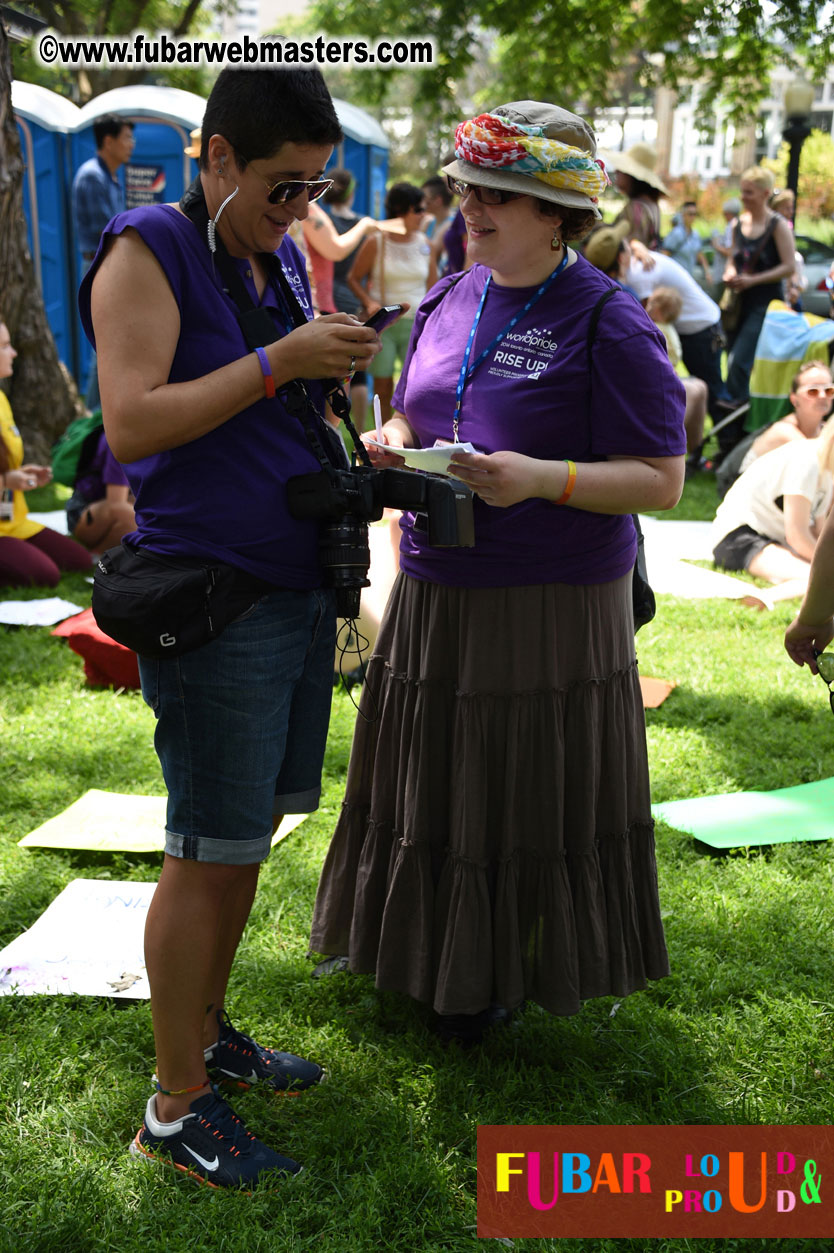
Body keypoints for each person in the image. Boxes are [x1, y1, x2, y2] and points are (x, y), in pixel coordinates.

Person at [309, 101, 687, 1045]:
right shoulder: (447, 295)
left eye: (499, 194)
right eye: (469, 185)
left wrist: (540, 480)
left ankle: (499, 971)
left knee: (517, 784)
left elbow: (664, 480)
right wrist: (390, 440)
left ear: (557, 213)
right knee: (439, 773)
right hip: (438, 582)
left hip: (551, 598)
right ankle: (430, 952)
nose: (470, 204)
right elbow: (414, 411)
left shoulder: (611, 322)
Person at [79, 66, 381, 1188]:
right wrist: (277, 365)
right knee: (202, 851)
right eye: (277, 186)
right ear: (213, 158)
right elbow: (133, 417)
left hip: (290, 586)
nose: (297, 208)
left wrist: (325, 380)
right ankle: (176, 1104)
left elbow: (268, 391)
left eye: (312, 189)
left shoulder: (267, 252)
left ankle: (205, 1036)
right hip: (214, 596)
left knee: (245, 837)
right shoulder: (148, 245)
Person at [0, 319, 91, 587]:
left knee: (79, 561)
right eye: (5, 346)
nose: (14, 352)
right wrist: (7, 482)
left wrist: (18, 476)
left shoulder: (2, 399)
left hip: (10, 520)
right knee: (45, 576)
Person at [711, 414, 834, 604]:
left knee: (821, 574)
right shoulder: (807, 460)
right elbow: (797, 535)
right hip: (737, 537)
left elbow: (818, 532)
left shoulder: (827, 471)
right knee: (817, 577)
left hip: (773, 539)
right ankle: (763, 599)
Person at [347, 182, 434, 421]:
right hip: (387, 323)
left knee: (413, 388)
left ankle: (407, 438)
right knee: (383, 387)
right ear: (400, 210)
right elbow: (353, 278)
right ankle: (383, 438)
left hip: (417, 323)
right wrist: (369, 303)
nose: (423, 215)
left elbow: (434, 287)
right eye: (418, 209)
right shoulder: (377, 241)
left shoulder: (425, 243)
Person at [72, 115, 135, 410]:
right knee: (103, 344)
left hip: (108, 266)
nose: (131, 144)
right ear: (108, 141)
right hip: (99, 267)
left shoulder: (108, 175)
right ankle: (94, 416)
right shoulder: (92, 177)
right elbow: (109, 232)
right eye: (126, 138)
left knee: (109, 344)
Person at [722, 166, 796, 415]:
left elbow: (789, 266)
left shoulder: (778, 226)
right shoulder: (736, 224)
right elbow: (733, 257)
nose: (743, 197)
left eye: (749, 192)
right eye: (742, 192)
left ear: (765, 193)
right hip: (738, 304)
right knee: (733, 358)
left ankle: (737, 417)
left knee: (738, 363)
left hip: (766, 304)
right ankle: (738, 416)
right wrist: (730, 271)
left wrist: (754, 280)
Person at [717, 360, 834, 498]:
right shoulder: (784, 431)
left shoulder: (824, 430)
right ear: (794, 399)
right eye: (812, 391)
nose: (822, 396)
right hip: (745, 501)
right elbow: (818, 464)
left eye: (829, 390)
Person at [645, 286, 707, 457]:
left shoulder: (656, 328)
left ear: (656, 309)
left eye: (649, 303)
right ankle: (676, 444)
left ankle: (678, 444)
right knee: (695, 389)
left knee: (698, 388)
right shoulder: (669, 328)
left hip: (663, 373)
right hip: (668, 372)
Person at [65, 428, 135, 552]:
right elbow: (116, 504)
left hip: (103, 506)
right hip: (82, 512)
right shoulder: (120, 441)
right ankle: (98, 555)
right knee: (137, 520)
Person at [597, 141, 668, 249]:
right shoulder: (652, 204)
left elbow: (629, 246)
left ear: (631, 175)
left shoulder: (636, 208)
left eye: (621, 169)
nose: (616, 171)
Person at [661, 201, 710, 281]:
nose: (693, 217)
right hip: (674, 278)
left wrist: (707, 272)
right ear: (683, 215)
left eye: (695, 214)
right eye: (690, 214)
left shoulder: (695, 235)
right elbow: (665, 254)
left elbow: (699, 254)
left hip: (688, 278)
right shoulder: (676, 233)